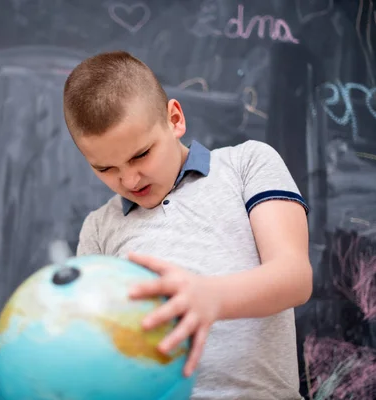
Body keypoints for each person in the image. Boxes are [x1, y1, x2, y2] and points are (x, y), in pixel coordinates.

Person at [62, 50, 313, 400]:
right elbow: (98, 343)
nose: (130, 179)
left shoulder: (247, 164)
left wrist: (210, 297)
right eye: (105, 169)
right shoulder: (98, 228)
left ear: (175, 119)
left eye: (140, 154)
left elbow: (294, 277)